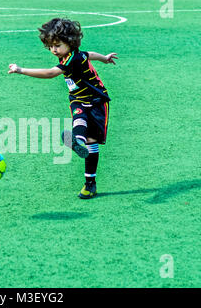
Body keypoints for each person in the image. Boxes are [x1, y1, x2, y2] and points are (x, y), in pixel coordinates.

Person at [8, 17, 118, 199]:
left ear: (70, 42)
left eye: (57, 45)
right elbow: (89, 54)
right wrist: (104, 58)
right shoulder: (75, 55)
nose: (53, 50)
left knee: (92, 141)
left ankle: (90, 181)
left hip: (97, 100)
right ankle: (77, 142)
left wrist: (21, 70)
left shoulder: (71, 60)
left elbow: (51, 73)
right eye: (50, 46)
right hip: (78, 98)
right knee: (79, 119)